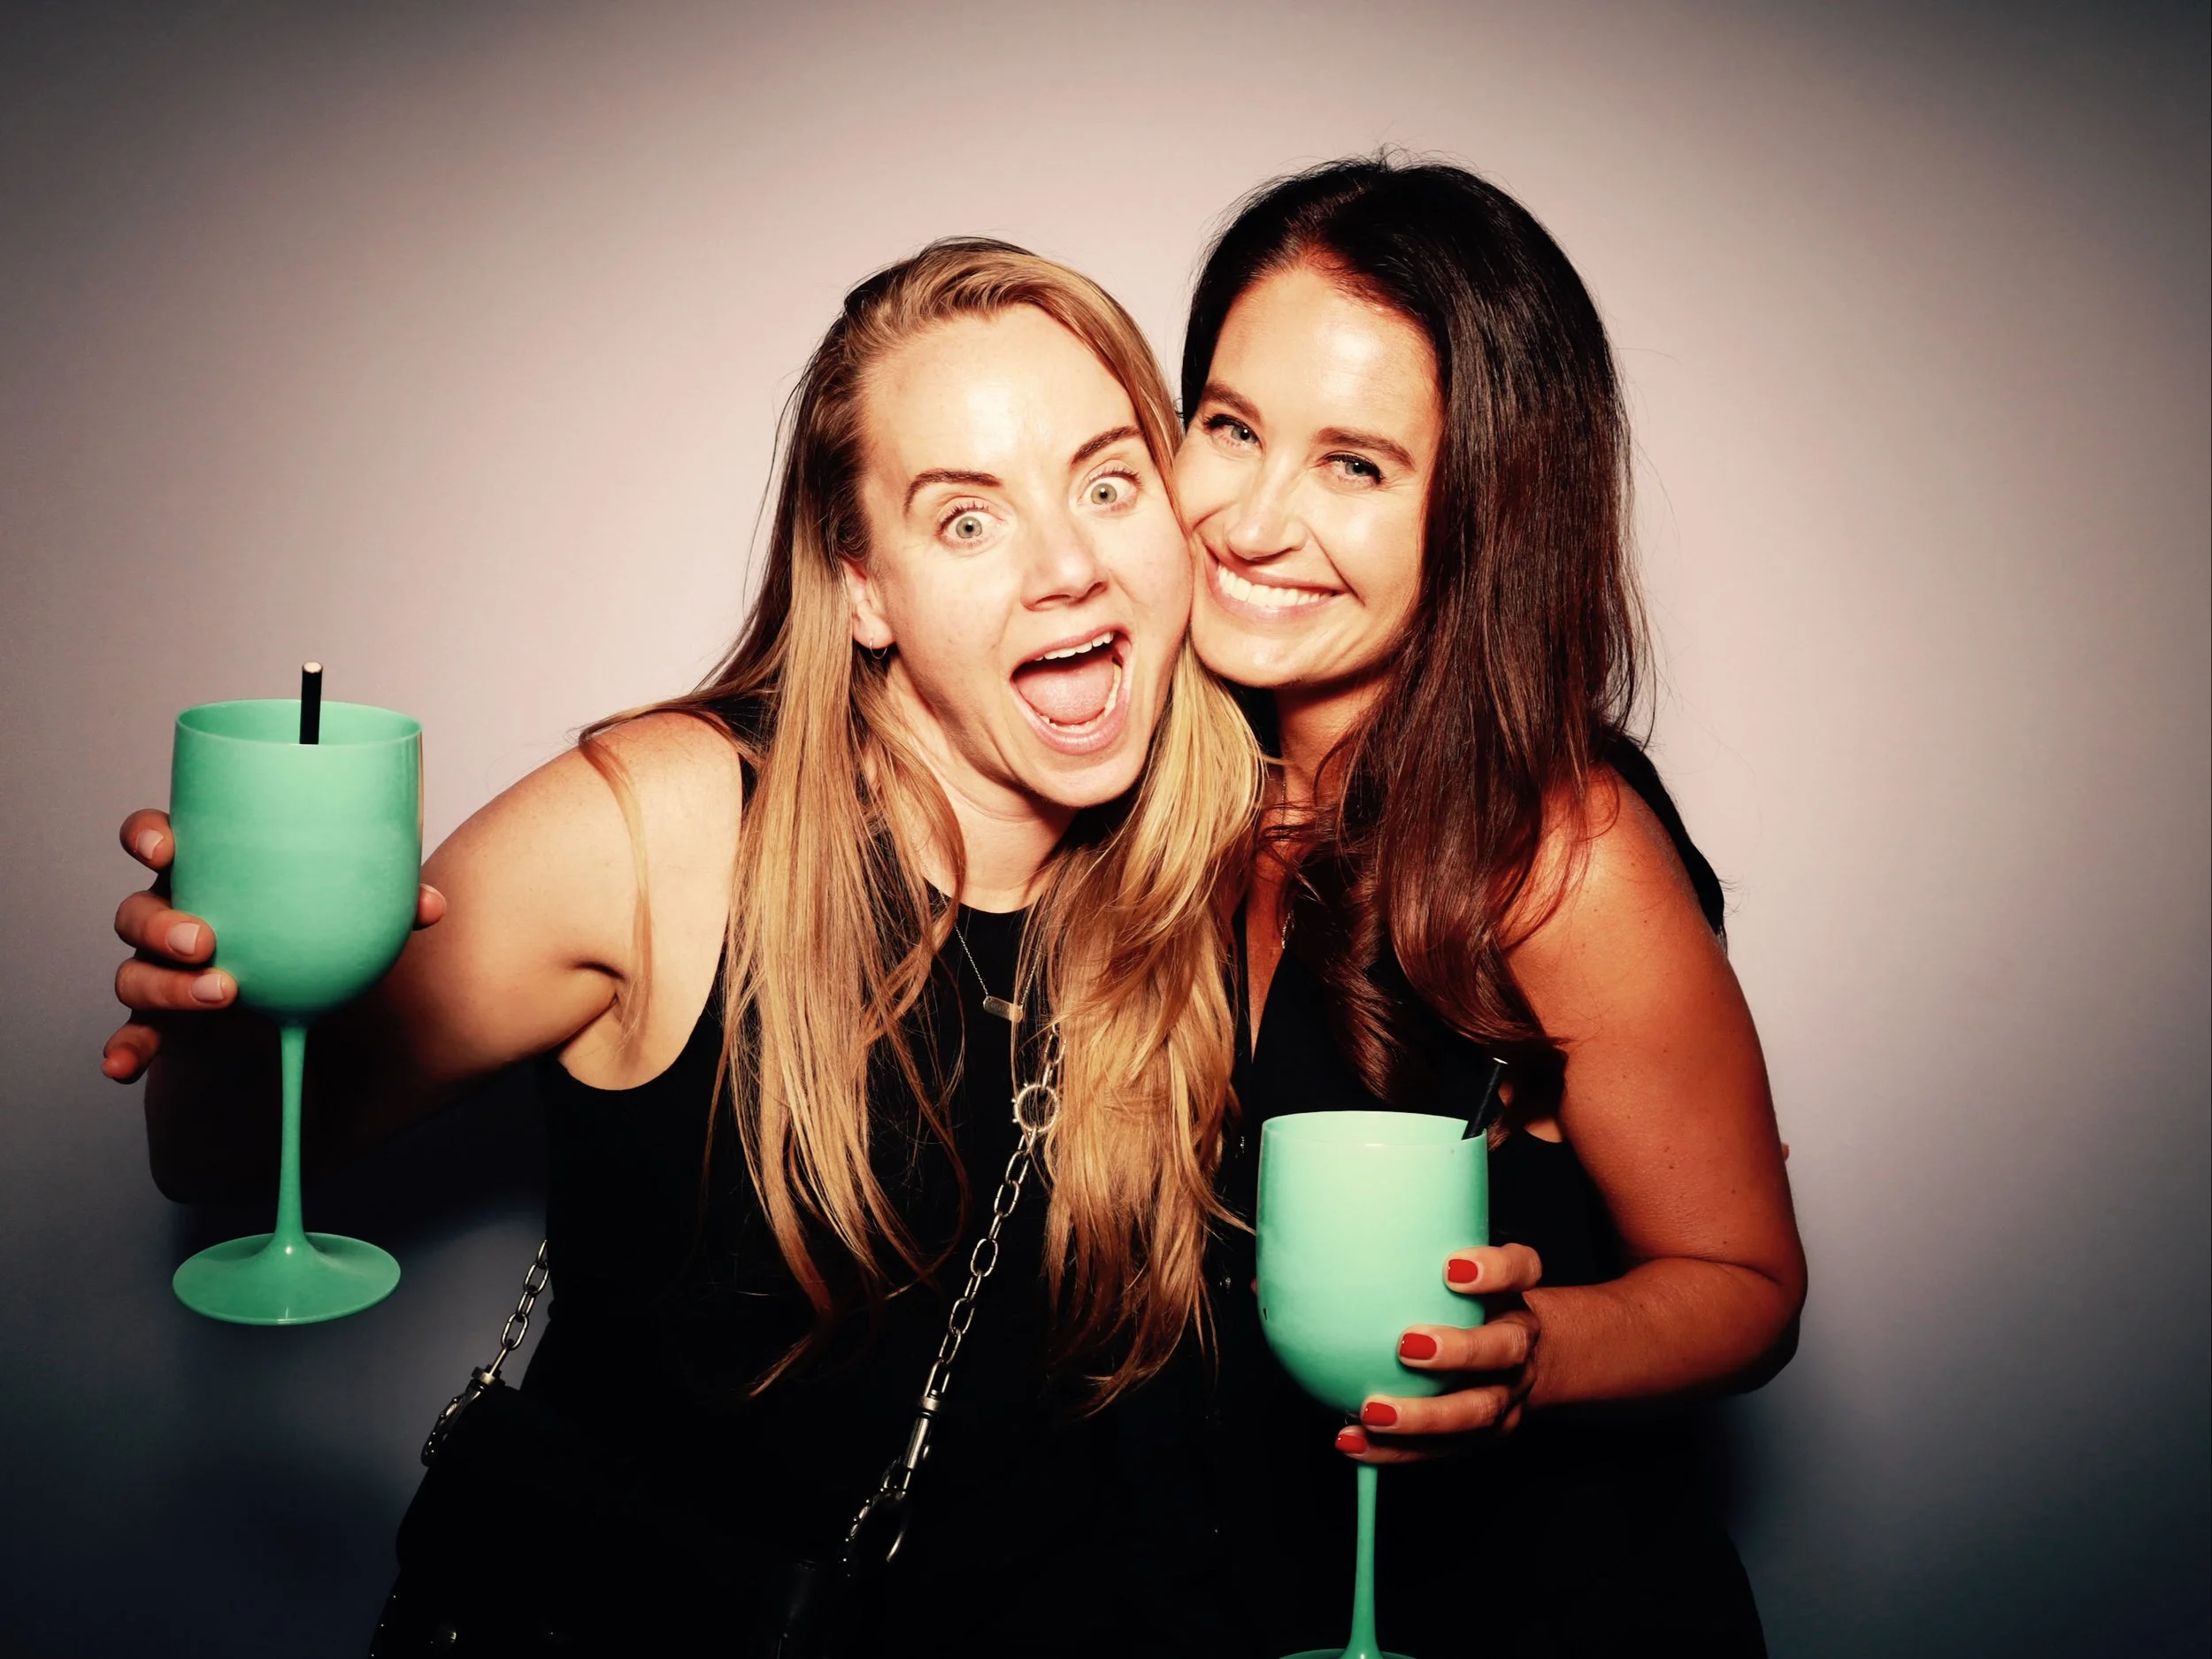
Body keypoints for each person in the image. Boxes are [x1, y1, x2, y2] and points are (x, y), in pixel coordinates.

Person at [102, 240, 1261, 1655]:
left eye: (1105, 482)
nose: (1068, 565)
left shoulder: (1218, 875)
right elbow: (213, 1149)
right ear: (865, 587)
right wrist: (236, 1002)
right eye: (967, 520)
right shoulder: (664, 828)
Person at [1176, 157, 1808, 1655]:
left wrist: (1535, 1351)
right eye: (1230, 426)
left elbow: (1749, 1284)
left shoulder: (1559, 851)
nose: (1252, 519)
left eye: (1356, 464)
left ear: (1485, 513)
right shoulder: (1169, 803)